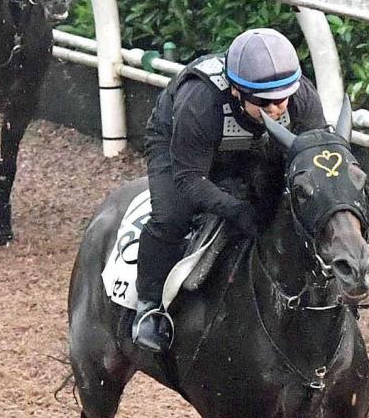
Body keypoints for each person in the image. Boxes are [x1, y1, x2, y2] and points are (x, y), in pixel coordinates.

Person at [133, 26, 327, 353]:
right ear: (237, 92)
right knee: (173, 216)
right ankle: (149, 307)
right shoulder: (201, 101)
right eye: (265, 103)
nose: (278, 109)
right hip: (177, 146)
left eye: (283, 99)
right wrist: (239, 211)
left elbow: (316, 158)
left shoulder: (301, 98)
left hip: (251, 146)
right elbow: (190, 179)